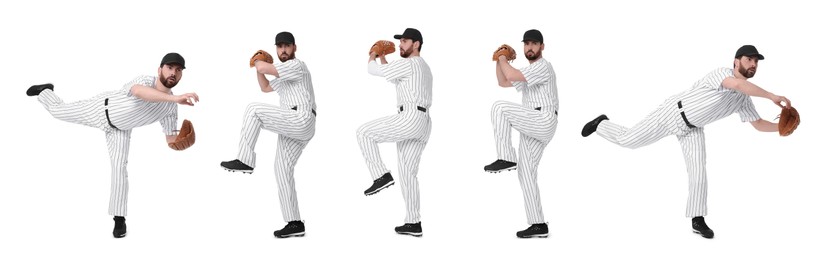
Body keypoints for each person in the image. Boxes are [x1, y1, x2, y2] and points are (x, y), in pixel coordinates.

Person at [580, 45, 792, 239]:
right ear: (736, 61)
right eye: (749, 59)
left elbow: (757, 123)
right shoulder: (722, 74)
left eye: (756, 62)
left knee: (699, 172)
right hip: (673, 113)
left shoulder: (743, 99)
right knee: (630, 140)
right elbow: (737, 84)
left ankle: (697, 219)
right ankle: (601, 124)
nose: (753, 64)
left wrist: (780, 129)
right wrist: (771, 95)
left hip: (693, 129)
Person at [27, 53, 199, 238]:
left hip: (121, 131)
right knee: (58, 111)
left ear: (181, 75)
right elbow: (139, 93)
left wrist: (184, 141)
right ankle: (45, 91)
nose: (174, 72)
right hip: (101, 109)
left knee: (119, 169)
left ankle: (119, 219)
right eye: (170, 68)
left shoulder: (171, 107)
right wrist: (175, 98)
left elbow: (170, 140)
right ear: (160, 69)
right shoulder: (146, 81)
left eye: (178, 70)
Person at [220, 31, 317, 238]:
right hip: (293, 124)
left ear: (294, 48)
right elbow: (265, 87)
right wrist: (259, 67)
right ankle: (295, 223)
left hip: (300, 117)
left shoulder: (296, 65)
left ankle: (245, 159)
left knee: (254, 110)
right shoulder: (283, 73)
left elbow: (264, 67)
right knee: (281, 168)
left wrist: (258, 62)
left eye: (286, 46)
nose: (283, 50)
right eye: (279, 46)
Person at [484, 29, 559, 238]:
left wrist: (502, 57)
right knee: (525, 172)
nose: (530, 48)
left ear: (542, 47)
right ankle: (538, 224)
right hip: (532, 123)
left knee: (499, 108)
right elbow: (503, 81)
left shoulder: (542, 66)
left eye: (534, 44)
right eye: (526, 44)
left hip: (542, 119)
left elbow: (511, 74)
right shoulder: (529, 71)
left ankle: (506, 157)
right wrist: (499, 62)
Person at [359, 28, 432, 237]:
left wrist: (372, 54)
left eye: (405, 41)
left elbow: (372, 71)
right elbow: (392, 77)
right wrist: (383, 58)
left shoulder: (409, 63)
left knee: (364, 133)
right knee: (408, 174)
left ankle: (380, 175)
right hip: (423, 122)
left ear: (416, 44)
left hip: (409, 117)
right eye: (401, 41)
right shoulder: (423, 67)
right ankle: (413, 222)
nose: (400, 44)